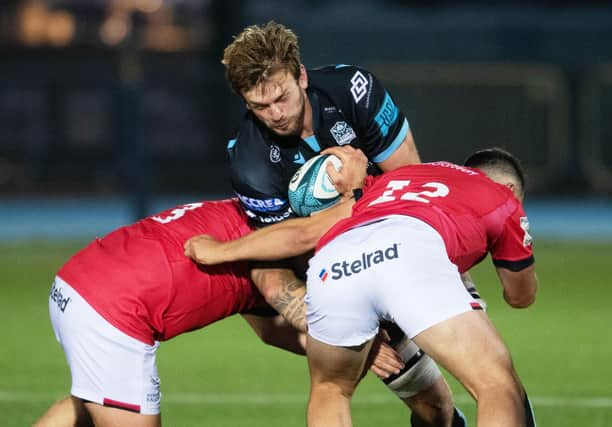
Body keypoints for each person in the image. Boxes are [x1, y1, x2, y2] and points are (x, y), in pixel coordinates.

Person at [221, 21, 465, 427]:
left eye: (281, 97)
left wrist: (442, 267)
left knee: (490, 371)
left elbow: (411, 184)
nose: (275, 114)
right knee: (434, 408)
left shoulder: (354, 90)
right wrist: (361, 340)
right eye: (259, 107)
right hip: (339, 278)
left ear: (300, 75)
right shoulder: (250, 162)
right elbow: (290, 258)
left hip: (402, 244)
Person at [185, 148, 538, 426]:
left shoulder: (397, 179)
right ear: (508, 188)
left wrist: (221, 250)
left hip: (335, 258)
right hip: (410, 251)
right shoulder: (501, 197)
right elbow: (520, 296)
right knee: (496, 384)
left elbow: (310, 229)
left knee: (331, 390)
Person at [34, 198, 309, 427]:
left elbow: (272, 331)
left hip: (77, 281)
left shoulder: (249, 215)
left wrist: (343, 353)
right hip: (112, 310)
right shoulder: (273, 258)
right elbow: (283, 294)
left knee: (93, 402)